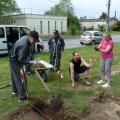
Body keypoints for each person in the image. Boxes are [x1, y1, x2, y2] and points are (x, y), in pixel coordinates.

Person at [9, 31, 39, 102]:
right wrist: (29, 63)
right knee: (21, 77)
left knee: (14, 75)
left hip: (13, 57)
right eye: (34, 40)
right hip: (15, 60)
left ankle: (15, 91)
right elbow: (21, 59)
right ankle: (22, 97)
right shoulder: (24, 44)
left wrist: (29, 61)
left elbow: (24, 55)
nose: (35, 42)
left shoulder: (26, 38)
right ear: (30, 37)